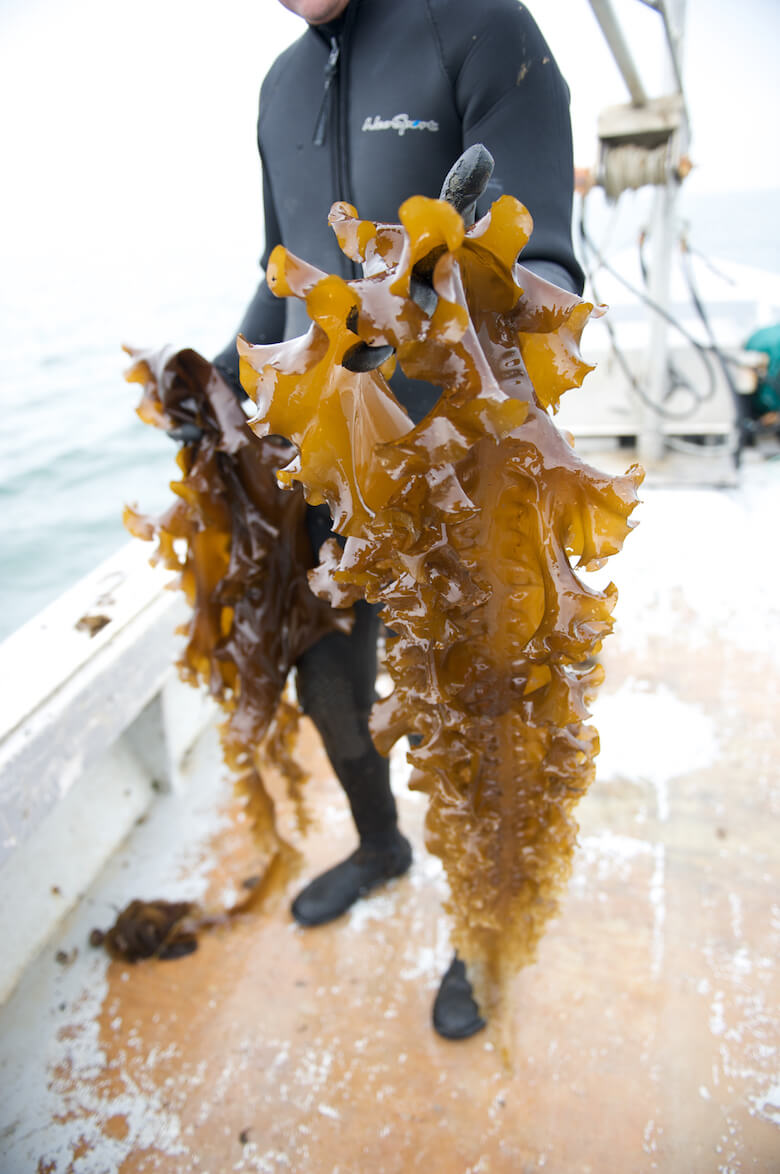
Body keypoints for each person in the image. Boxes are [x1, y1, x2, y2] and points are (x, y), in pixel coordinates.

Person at [212, 0, 584, 1039]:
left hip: (458, 460)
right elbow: (282, 271)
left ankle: (481, 930)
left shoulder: (477, 27)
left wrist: (451, 286)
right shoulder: (280, 86)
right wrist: (222, 377)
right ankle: (380, 846)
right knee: (330, 686)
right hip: (322, 467)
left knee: (480, 719)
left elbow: (549, 262)